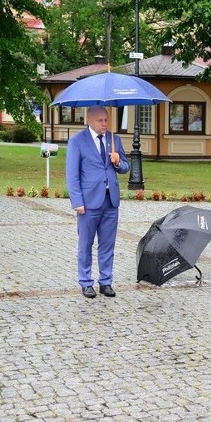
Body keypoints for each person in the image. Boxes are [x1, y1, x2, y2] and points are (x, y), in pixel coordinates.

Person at [66, 106, 129, 298]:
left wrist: (118, 162)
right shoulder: (77, 142)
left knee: (107, 244)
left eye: (106, 120)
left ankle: (106, 281)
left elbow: (126, 167)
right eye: (100, 120)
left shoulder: (114, 139)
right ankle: (86, 282)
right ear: (89, 121)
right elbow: (72, 174)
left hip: (111, 202)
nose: (104, 124)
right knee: (85, 244)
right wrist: (77, 201)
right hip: (88, 202)